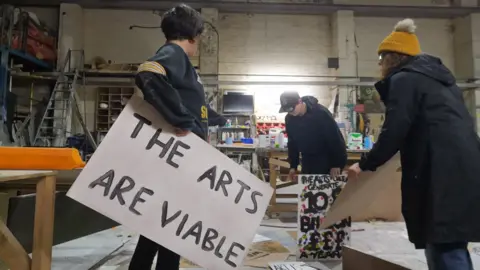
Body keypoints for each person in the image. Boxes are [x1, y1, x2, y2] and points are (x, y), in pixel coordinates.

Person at [347, 18, 480, 270]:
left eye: (380, 60)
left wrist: (364, 164)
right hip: (461, 166)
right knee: (444, 237)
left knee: (445, 241)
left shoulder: (405, 80)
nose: (380, 66)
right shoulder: (440, 81)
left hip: (441, 170)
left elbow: (394, 129)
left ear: (391, 58)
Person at [128, 4, 209, 270]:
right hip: (176, 158)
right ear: (195, 37)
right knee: (168, 225)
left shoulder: (182, 62)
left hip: (180, 157)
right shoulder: (174, 53)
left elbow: (186, 99)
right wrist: (182, 119)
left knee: (162, 225)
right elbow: (148, 72)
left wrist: (208, 118)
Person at [279, 91, 347, 178]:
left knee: (325, 190)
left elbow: (335, 138)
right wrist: (293, 166)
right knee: (308, 189)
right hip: (307, 160)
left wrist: (337, 164)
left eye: (292, 109)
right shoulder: (290, 119)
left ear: (299, 102)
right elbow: (292, 143)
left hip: (326, 159)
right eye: (287, 110)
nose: (290, 113)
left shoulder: (321, 113)